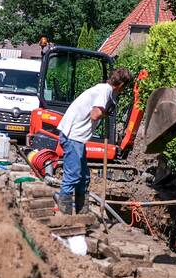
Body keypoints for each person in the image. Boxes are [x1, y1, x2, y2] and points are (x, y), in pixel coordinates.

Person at [54, 67, 134, 214]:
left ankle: (81, 212)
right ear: (121, 85)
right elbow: (95, 114)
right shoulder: (105, 91)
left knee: (84, 177)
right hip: (73, 137)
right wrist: (105, 114)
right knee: (73, 175)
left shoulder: (103, 89)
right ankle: (63, 212)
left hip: (77, 138)